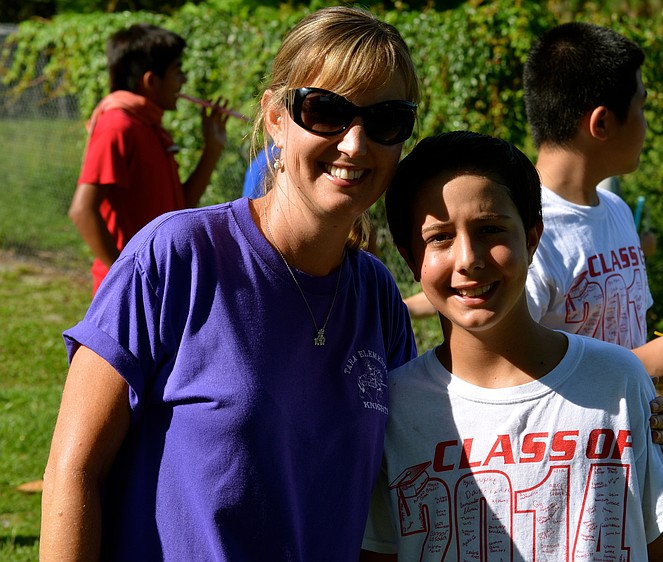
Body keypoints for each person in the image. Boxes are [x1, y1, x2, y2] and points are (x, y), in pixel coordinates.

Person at [41, 7, 420, 560]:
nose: (355, 144)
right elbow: (72, 474)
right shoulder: (177, 257)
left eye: (386, 119)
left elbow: (387, 502)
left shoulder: (377, 296)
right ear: (274, 117)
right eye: (325, 111)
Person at [361, 131, 663, 561]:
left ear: (533, 237)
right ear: (410, 258)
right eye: (440, 237)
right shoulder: (393, 410)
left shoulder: (617, 381)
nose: (469, 259)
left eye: (490, 229)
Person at [522, 22, 663, 465]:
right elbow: (512, 376)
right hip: (572, 475)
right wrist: (643, 363)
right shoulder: (525, 235)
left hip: (638, 460)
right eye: (641, 107)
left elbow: (624, 346)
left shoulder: (617, 213)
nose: (646, 123)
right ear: (602, 122)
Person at [67, 23, 231, 296]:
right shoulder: (117, 125)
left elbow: (180, 207)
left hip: (158, 285)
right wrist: (127, 275)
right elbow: (82, 210)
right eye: (178, 71)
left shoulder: (149, 125)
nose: (184, 81)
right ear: (151, 81)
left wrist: (212, 149)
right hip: (129, 293)